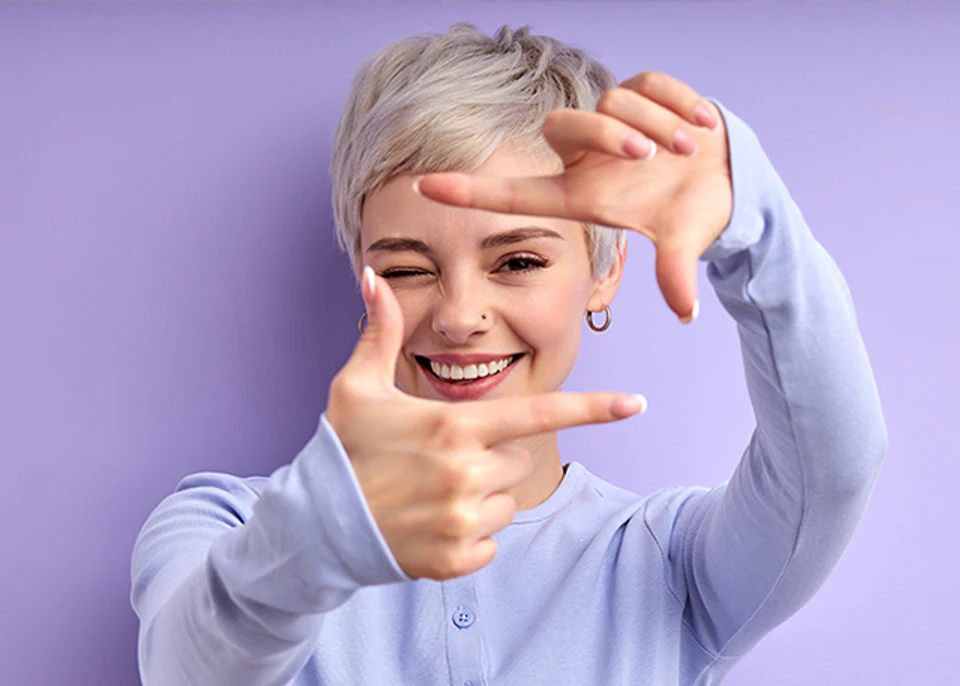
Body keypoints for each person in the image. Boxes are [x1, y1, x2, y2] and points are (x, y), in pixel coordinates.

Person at [130, 23, 887, 685]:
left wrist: (753, 223)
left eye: (517, 261)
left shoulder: (669, 562)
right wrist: (315, 545)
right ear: (361, 277)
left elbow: (833, 469)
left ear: (605, 271)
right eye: (404, 268)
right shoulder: (226, 520)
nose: (459, 318)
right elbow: (186, 669)